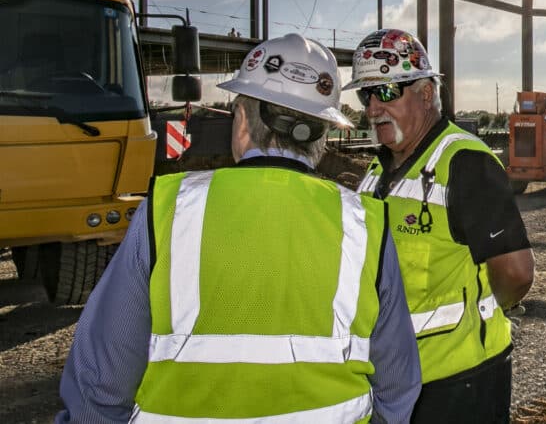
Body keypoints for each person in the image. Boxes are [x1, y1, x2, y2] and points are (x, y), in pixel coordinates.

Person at [56, 33, 421, 423]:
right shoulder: (365, 223)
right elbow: (397, 384)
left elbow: (101, 379)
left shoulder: (167, 210)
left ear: (242, 121)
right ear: (322, 135)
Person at [344, 28, 535, 424]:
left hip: (457, 383)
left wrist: (474, 321)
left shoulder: (465, 163)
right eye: (366, 95)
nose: (373, 108)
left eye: (385, 92)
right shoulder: (377, 172)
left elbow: (515, 274)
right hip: (390, 383)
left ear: (426, 93)